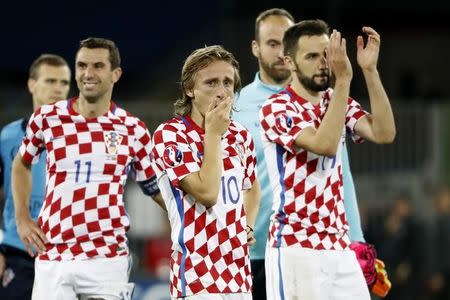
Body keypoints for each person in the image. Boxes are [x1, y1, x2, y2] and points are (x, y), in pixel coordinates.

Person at [11, 37, 163, 300]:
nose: (87, 73)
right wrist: (22, 218)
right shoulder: (47, 118)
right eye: (81, 66)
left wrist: (193, 221)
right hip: (54, 254)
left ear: (116, 74)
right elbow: (21, 163)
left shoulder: (133, 128)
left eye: (97, 66)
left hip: (106, 258)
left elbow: (155, 188)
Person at [234, 8, 370, 299]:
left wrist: (356, 237)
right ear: (255, 48)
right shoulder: (237, 106)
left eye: (287, 41)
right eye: (273, 43)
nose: (282, 50)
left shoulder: (328, 101)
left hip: (323, 243)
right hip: (254, 244)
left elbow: (340, 172)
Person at [259, 20, 395, 299]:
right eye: (311, 56)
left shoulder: (334, 100)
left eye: (326, 55)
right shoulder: (277, 108)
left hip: (339, 245)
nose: (323, 63)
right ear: (290, 62)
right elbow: (325, 144)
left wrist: (369, 70)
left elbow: (384, 133)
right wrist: (344, 80)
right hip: (297, 247)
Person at [152, 45, 260, 299]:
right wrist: (213, 134)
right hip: (196, 277)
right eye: (211, 83)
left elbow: (252, 187)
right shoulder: (171, 135)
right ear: (190, 89)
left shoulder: (240, 135)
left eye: (227, 83)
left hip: (238, 274)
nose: (222, 92)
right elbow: (207, 192)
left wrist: (249, 226)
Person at [0, 54, 71, 299]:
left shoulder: (80, 138)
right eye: (50, 81)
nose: (58, 89)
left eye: (64, 82)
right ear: (32, 84)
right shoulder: (7, 137)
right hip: (18, 254)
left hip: (66, 256)